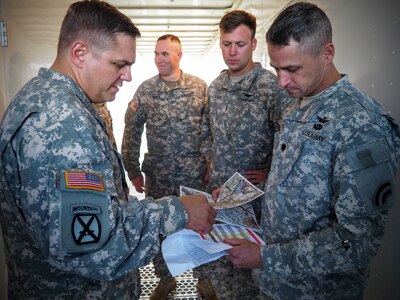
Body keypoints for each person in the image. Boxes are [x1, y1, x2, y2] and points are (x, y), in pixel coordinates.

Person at [0, 1, 215, 299]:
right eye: (119, 64)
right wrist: (179, 210)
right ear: (80, 53)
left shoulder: (53, 102)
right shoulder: (60, 123)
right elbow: (94, 246)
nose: (127, 76)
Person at [223, 2, 400, 300]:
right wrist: (239, 197)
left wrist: (266, 257)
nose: (282, 81)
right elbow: (298, 185)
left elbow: (357, 241)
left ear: (327, 54)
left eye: (292, 69)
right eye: (276, 69)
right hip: (276, 285)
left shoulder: (360, 124)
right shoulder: (298, 103)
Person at [204, 10, 291, 300]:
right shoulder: (216, 87)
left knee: (251, 279)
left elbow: (288, 139)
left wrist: (271, 174)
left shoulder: (271, 87)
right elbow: (208, 130)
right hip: (220, 195)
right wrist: (209, 160)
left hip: (255, 201)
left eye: (239, 44)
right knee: (221, 269)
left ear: (254, 45)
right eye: (226, 44)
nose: (232, 52)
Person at [121, 34, 216, 299]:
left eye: (165, 53)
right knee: (159, 227)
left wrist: (211, 161)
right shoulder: (146, 89)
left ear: (179, 55)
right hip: (158, 175)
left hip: (194, 176)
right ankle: (165, 280)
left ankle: (204, 281)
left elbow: (210, 129)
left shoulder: (199, 87)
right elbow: (132, 131)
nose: (159, 59)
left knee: (202, 226)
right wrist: (132, 170)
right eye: (156, 53)